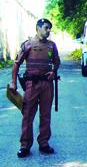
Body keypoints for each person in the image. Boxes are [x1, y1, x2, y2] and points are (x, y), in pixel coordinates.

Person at [10, 18, 61, 158]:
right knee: (27, 115)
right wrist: (13, 83)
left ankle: (43, 143)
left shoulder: (52, 45)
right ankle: (25, 146)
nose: (48, 30)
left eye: (50, 28)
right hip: (31, 85)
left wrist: (53, 71)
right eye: (46, 27)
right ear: (37, 28)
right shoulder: (28, 45)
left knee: (45, 115)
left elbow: (57, 62)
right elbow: (16, 64)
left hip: (47, 85)